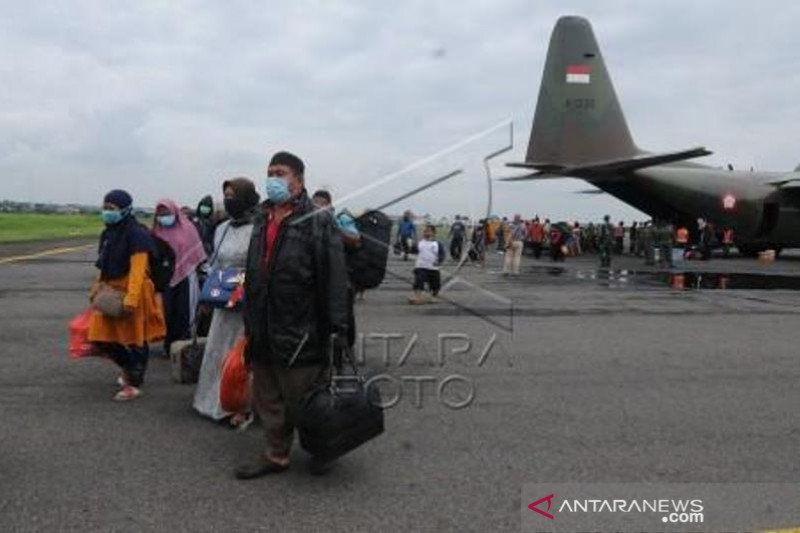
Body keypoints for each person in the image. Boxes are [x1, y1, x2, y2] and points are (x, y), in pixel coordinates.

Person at [238, 151, 350, 479]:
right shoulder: (261, 218)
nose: (273, 178)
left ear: (298, 180)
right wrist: (249, 319)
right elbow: (253, 269)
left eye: (281, 172)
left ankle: (323, 449)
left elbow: (334, 277)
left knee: (305, 399)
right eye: (270, 172)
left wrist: (337, 327)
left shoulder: (318, 219)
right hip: (263, 324)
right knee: (268, 397)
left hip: (301, 327)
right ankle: (276, 454)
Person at [193, 178, 260, 428]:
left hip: (246, 303)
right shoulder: (222, 229)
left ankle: (242, 406)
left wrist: (241, 283)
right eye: (226, 195)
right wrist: (207, 295)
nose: (229, 200)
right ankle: (212, 400)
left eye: (234, 195)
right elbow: (215, 263)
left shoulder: (259, 228)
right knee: (217, 350)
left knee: (240, 357)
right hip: (223, 301)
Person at [88, 190, 166, 401]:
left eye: (111, 209)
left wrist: (131, 298)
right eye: (105, 207)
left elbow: (138, 269)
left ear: (125, 210)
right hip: (111, 292)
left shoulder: (136, 234)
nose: (107, 212)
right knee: (101, 338)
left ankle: (134, 383)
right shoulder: (109, 233)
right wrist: (96, 288)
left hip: (134, 291)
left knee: (135, 340)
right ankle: (128, 367)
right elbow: (102, 263)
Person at [152, 199, 207, 357]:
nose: (164, 217)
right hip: (165, 278)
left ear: (175, 213)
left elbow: (196, 252)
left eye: (167, 213)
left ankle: (183, 345)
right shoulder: (156, 231)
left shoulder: (187, 228)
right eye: (160, 214)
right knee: (167, 312)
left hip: (186, 276)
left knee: (184, 312)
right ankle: (168, 345)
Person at [409, 224, 443, 304]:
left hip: (433, 268)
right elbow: (413, 251)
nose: (426, 233)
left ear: (434, 233)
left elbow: (442, 254)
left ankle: (433, 297)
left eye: (428, 231)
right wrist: (410, 246)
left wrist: (439, 260)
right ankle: (417, 297)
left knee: (435, 284)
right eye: (425, 231)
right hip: (421, 266)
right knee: (418, 281)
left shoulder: (437, 244)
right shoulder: (420, 243)